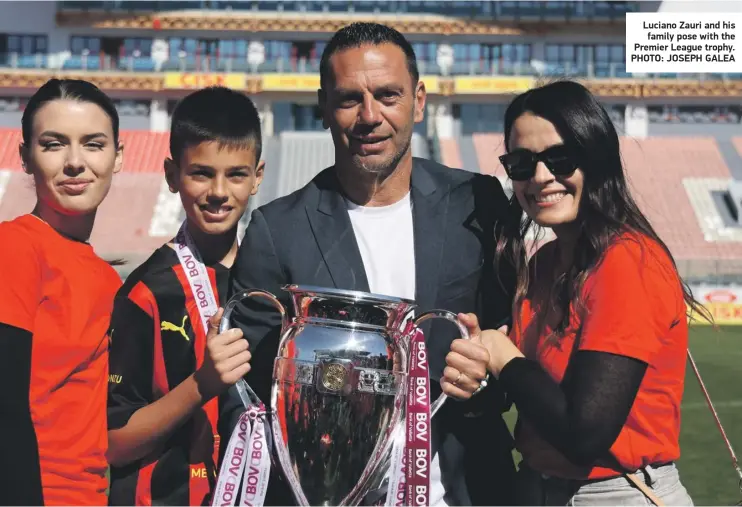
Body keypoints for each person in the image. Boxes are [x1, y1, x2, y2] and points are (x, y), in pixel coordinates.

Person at [228, 22, 516, 506]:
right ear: (323, 106)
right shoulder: (277, 231)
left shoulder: (479, 202)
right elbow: (254, 393)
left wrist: (487, 370)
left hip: (469, 491)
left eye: (388, 95)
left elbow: (520, 334)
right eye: (347, 99)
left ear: (419, 101)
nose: (370, 116)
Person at [443, 80, 708, 505]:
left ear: (595, 158)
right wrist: (476, 373)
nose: (541, 178)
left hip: (616, 493)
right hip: (536, 486)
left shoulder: (627, 261)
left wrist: (502, 353)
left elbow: (584, 433)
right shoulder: (542, 264)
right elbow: (529, 397)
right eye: (522, 164)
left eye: (560, 158)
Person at [106, 86, 263, 505]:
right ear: (172, 176)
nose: (218, 191)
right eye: (201, 173)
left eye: (236, 174)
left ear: (257, 177)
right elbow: (115, 442)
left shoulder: (269, 284)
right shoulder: (146, 292)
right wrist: (203, 384)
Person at [0, 78, 123, 505]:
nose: (75, 162)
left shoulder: (108, 279)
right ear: (25, 157)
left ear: (118, 156)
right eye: (53, 144)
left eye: (93, 144)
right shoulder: (15, 246)